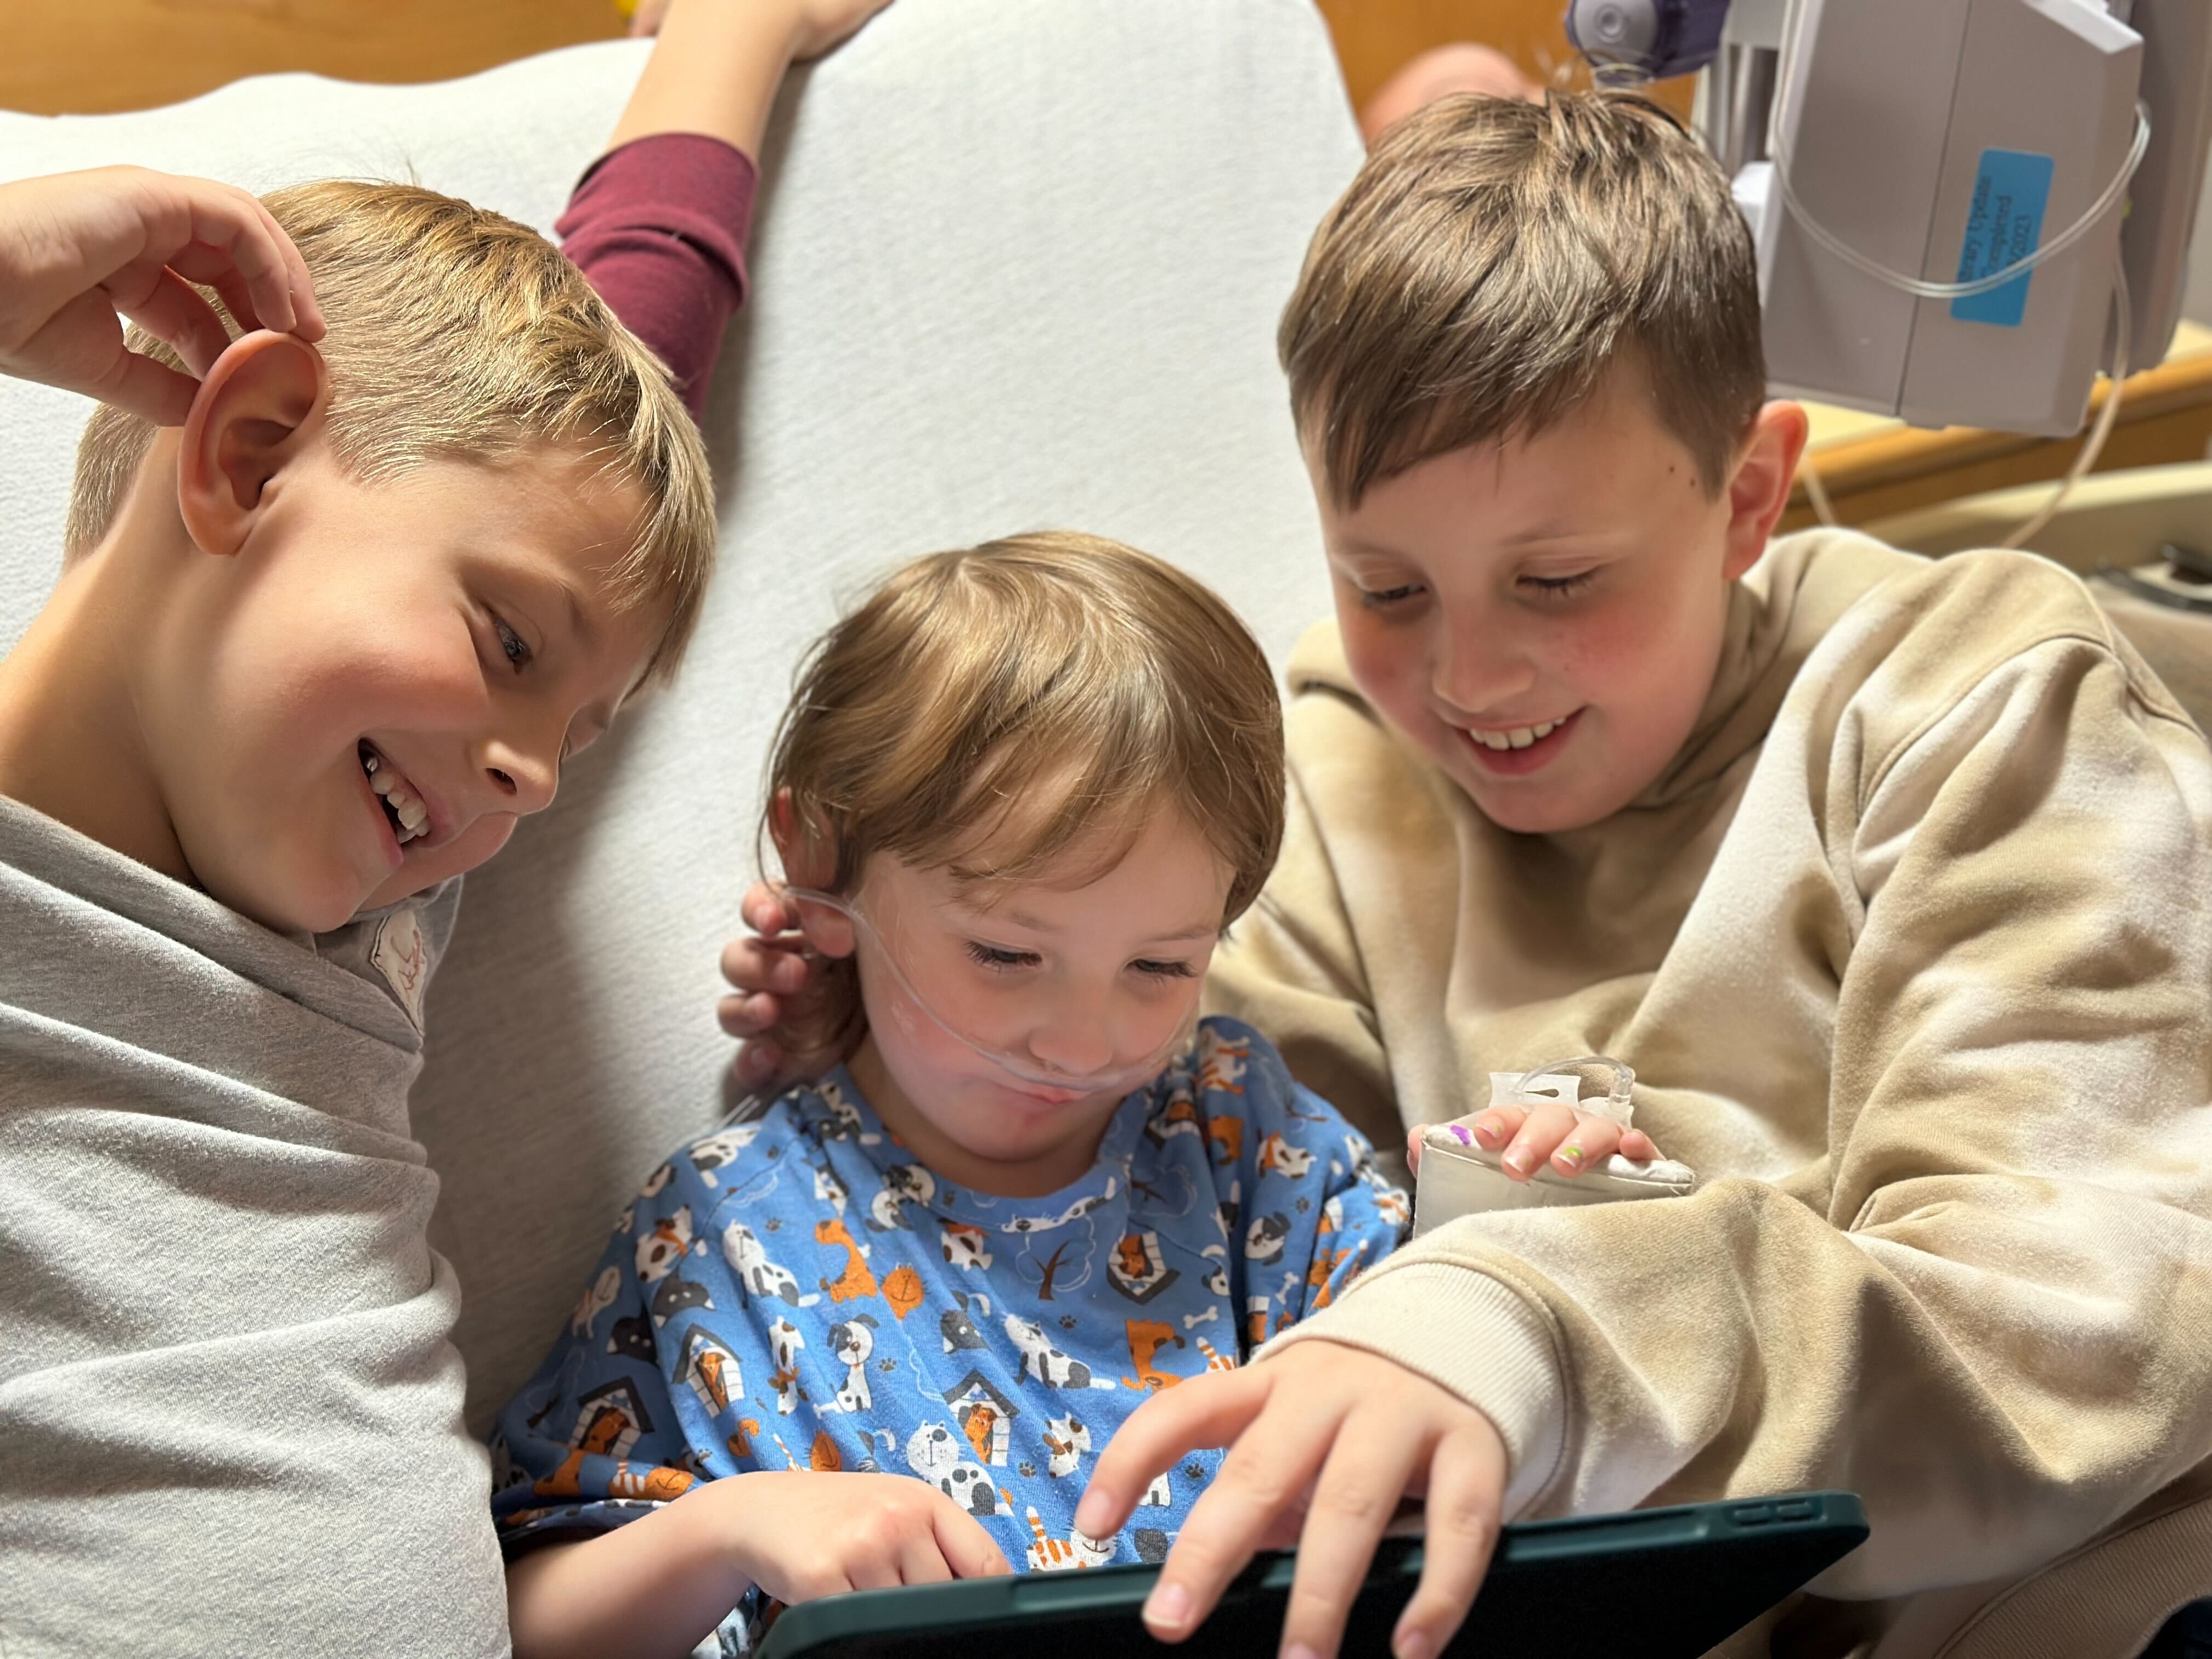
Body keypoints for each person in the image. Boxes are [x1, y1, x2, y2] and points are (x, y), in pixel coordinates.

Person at [722, 91, 2212, 1659]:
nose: (1471, 676)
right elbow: (1163, 1181)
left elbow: (2079, 1328)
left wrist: (1535, 1322)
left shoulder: (1979, 698)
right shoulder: (1337, 777)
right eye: (1387, 585)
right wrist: (896, 1008)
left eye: (1557, 581)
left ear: (1750, 498)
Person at [0, 2, 889, 1651]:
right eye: (509, 650)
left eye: (577, 728)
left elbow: (626, 370)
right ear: (248, 452)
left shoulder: (373, 907)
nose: (534, 779)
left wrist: (737, 28)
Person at [488, 532, 1414, 1659]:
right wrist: (719, 1534)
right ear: (821, 863)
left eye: (1162, 966)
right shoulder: (718, 1235)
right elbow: (519, 1626)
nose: (1086, 1042)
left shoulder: (1237, 1133)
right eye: (1007, 956)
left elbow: (1443, 1375)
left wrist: (1512, 1201)